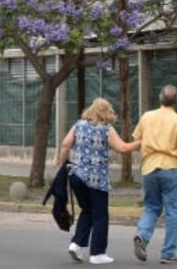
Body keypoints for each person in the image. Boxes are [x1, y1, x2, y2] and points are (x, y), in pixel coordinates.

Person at [57, 98, 142, 265]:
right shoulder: (106, 129)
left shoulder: (78, 125)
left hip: (76, 176)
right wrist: (142, 142)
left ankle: (76, 244)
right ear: (104, 112)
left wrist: (62, 166)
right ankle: (98, 253)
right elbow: (123, 148)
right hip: (96, 180)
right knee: (101, 215)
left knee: (87, 210)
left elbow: (65, 144)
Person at [132, 85, 177, 265]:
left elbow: (137, 139)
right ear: (176, 101)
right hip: (171, 168)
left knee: (151, 207)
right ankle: (168, 252)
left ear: (160, 98)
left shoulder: (147, 116)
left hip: (149, 168)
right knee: (173, 211)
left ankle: (142, 235)